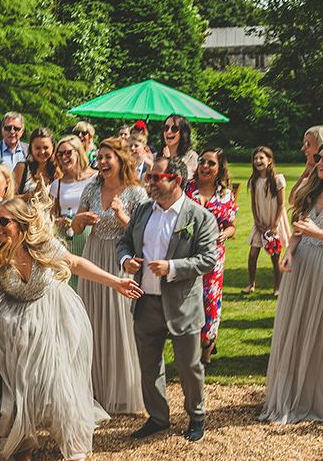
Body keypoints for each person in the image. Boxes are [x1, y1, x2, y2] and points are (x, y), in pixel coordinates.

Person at [0, 195, 143, 461]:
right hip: (13, 325)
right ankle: (24, 446)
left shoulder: (40, 244)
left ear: (21, 223)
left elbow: (75, 263)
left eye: (4, 221)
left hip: (55, 316)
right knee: (20, 384)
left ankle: (75, 449)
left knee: (60, 380)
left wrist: (116, 282)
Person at [118, 155, 218, 442]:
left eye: (155, 177)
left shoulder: (199, 217)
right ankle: (159, 417)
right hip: (145, 300)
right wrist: (126, 260)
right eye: (149, 177)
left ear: (175, 180)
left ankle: (196, 415)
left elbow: (208, 259)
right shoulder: (142, 211)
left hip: (181, 303)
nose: (149, 182)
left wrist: (172, 268)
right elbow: (124, 242)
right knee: (149, 366)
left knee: (188, 366)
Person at [260, 140, 323, 424]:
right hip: (300, 266)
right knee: (296, 328)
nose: (320, 163)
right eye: (318, 158)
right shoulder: (310, 191)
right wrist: (288, 252)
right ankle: (295, 395)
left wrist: (319, 234)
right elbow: (299, 229)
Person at [74, 138, 148, 414]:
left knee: (119, 321)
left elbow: (141, 232)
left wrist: (120, 215)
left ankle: (123, 392)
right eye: (100, 157)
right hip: (93, 256)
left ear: (120, 160)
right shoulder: (92, 187)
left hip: (119, 259)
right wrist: (82, 220)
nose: (102, 162)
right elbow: (75, 225)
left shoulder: (135, 193)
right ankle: (95, 390)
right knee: (91, 320)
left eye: (108, 157)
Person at [185, 148, 238, 365]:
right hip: (187, 254)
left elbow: (232, 226)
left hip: (213, 257)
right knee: (188, 299)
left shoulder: (224, 194)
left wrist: (224, 234)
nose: (205, 166)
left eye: (211, 163)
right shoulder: (187, 188)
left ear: (219, 168)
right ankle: (189, 346)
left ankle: (207, 344)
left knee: (210, 300)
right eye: (202, 162)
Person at [242, 146, 290, 295]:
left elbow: (282, 204)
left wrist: (274, 225)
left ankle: (278, 287)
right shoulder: (254, 181)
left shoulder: (277, 179)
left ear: (269, 160)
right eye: (255, 158)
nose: (258, 161)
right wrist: (257, 222)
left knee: (275, 257)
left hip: (274, 223)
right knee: (252, 256)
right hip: (260, 224)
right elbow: (253, 204)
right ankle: (251, 284)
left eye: (261, 158)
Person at [50, 134, 96, 288]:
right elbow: (50, 217)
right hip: (66, 237)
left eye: (68, 152)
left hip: (90, 235)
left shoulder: (96, 178)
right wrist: (58, 221)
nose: (64, 157)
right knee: (68, 282)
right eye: (60, 154)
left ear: (78, 151)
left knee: (90, 281)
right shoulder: (57, 184)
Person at [290, 126, 323, 205]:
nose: (303, 148)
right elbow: (292, 200)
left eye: (308, 144)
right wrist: (307, 171)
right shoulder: (312, 175)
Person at [12, 127, 58, 199]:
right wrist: (31, 195)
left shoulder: (58, 170)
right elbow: (9, 198)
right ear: (31, 148)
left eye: (46, 148)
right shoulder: (22, 168)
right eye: (37, 148)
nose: (42, 152)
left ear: (53, 147)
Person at [160, 114, 198, 179]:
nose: (169, 132)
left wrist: (169, 160)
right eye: (166, 128)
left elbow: (184, 179)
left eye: (174, 129)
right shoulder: (155, 156)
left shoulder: (191, 157)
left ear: (183, 132)